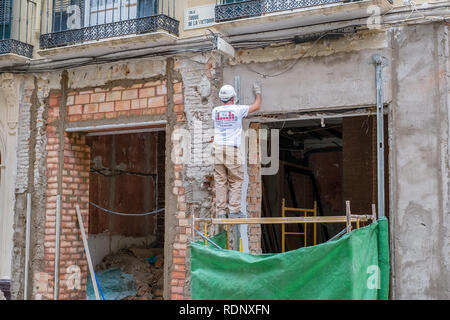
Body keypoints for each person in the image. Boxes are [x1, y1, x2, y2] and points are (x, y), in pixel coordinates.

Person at [212, 83, 262, 219]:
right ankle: (234, 211)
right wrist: (258, 93)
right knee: (236, 179)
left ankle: (221, 212)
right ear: (233, 98)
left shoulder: (215, 111)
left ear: (221, 99)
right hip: (231, 149)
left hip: (217, 149)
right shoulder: (237, 109)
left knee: (220, 181)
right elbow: (256, 106)